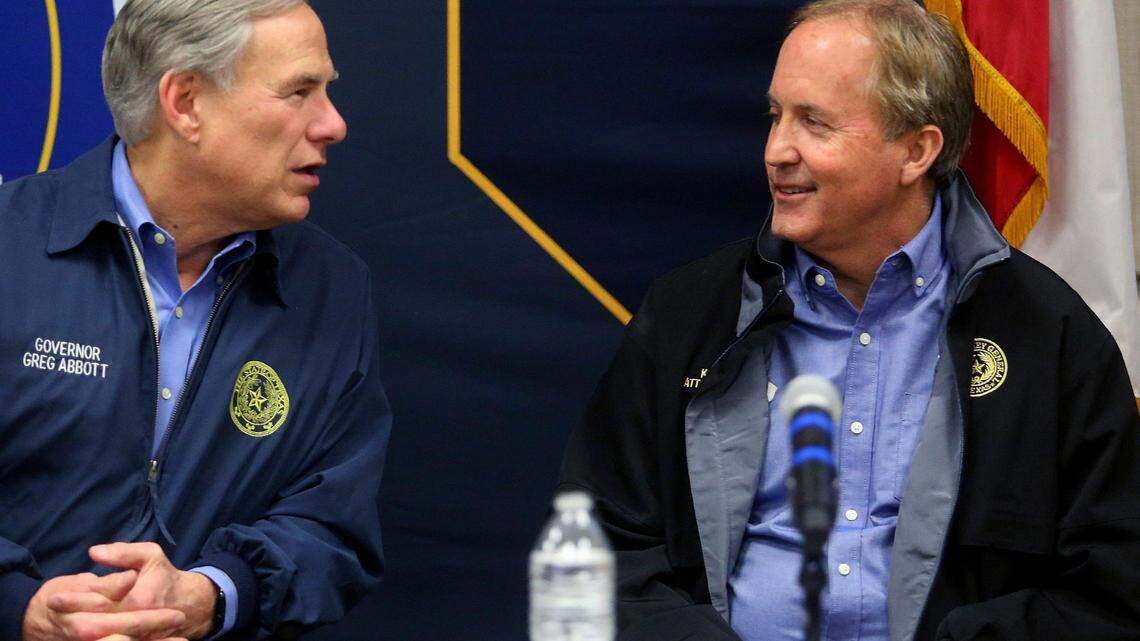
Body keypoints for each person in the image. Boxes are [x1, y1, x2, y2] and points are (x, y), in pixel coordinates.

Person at [558, 1, 1140, 640]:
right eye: (776, 116)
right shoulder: (689, 315)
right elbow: (599, 552)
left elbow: (1112, 590)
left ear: (916, 151)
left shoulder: (1047, 333)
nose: (776, 151)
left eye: (814, 122)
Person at [0, 1, 391, 639]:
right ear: (185, 102)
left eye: (327, 91)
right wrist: (20, 607)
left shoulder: (331, 289)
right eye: (299, 92)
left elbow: (333, 526)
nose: (334, 124)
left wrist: (210, 595)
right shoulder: (7, 247)